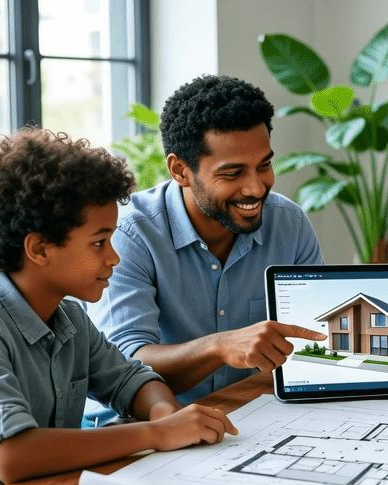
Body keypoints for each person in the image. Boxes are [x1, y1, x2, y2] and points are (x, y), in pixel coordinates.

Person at [0, 129, 237, 485]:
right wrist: (156, 434)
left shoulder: (68, 317)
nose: (114, 258)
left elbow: (131, 380)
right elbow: (11, 455)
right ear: (39, 248)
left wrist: (162, 413)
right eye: (99, 243)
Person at [85, 75, 325, 423]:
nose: (256, 188)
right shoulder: (130, 234)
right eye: (233, 173)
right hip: (140, 425)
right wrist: (220, 347)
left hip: (248, 414)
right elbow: (125, 368)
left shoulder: (290, 223)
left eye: (264, 165)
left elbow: (312, 341)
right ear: (180, 170)